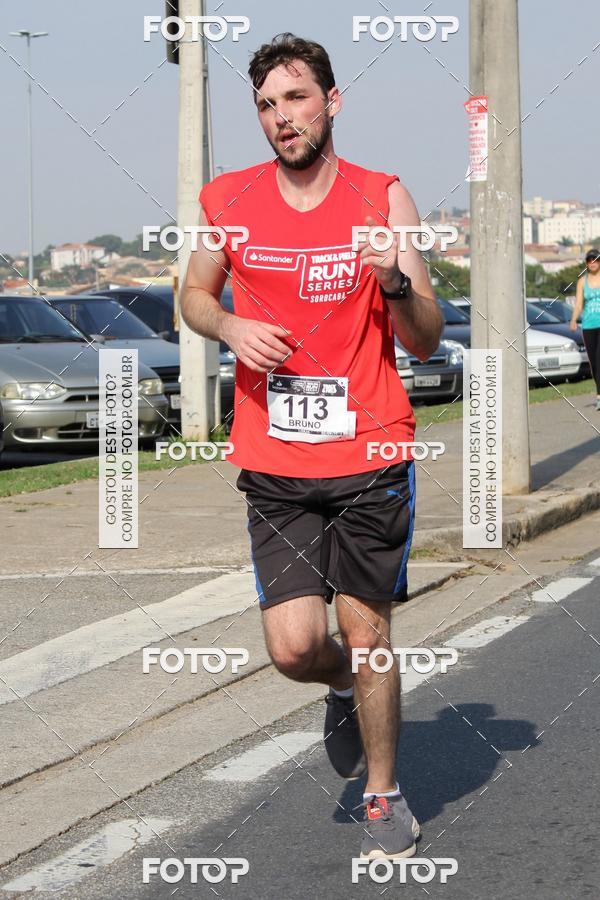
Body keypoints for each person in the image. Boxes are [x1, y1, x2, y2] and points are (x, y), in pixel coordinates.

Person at [181, 33, 443, 859]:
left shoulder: (382, 197)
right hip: (278, 462)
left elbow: (429, 338)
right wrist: (227, 323)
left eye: (295, 98)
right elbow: (191, 292)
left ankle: (382, 793)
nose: (281, 117)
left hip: (370, 454)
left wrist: (393, 281)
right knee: (296, 648)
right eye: (266, 104)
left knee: (368, 635)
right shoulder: (228, 199)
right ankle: (338, 687)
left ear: (331, 102)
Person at [571, 248, 600, 410]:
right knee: (594, 364)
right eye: (589, 261)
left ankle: (599, 396)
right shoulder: (582, 281)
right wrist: (574, 320)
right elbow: (579, 304)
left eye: (595, 260)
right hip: (588, 325)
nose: (592, 263)